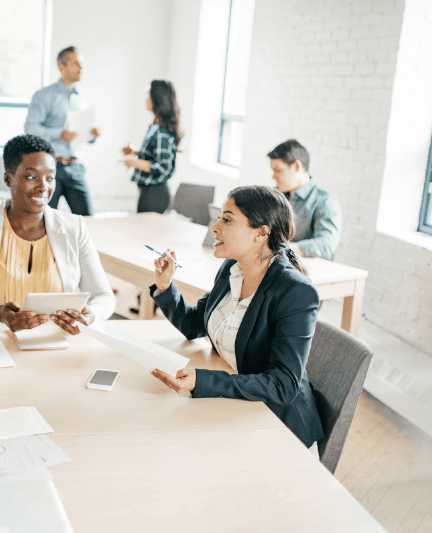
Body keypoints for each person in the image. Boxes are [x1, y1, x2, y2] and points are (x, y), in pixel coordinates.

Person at [148, 185, 324, 450]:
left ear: (261, 233)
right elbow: (196, 324)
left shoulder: (295, 292)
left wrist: (204, 381)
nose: (214, 227)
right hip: (239, 407)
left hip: (279, 428)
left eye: (227, 219)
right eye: (219, 217)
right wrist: (165, 288)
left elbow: (283, 385)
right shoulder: (232, 267)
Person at [0, 134, 115, 334]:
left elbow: (104, 297)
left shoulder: (74, 228)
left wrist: (90, 314)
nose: (43, 187)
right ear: (8, 178)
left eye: (50, 178)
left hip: (58, 344)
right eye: (31, 177)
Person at [25, 45, 99, 216]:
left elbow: (79, 135)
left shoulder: (80, 98)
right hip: (50, 168)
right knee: (44, 220)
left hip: (75, 167)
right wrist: (59, 133)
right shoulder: (44, 95)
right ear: (62, 67)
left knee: (87, 219)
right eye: (76, 64)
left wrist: (92, 135)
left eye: (81, 64)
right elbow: (30, 128)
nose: (81, 68)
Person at [267, 139, 341, 259]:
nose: (273, 176)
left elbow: (327, 246)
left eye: (278, 170)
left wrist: (282, 249)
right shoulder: (276, 195)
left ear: (297, 166)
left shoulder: (325, 201)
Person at [122, 79, 183, 214]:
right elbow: (154, 156)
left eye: (147, 94)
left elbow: (162, 166)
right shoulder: (155, 126)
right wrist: (135, 152)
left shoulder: (161, 131)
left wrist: (134, 162)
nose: (145, 98)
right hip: (148, 192)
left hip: (155, 195)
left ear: (156, 98)